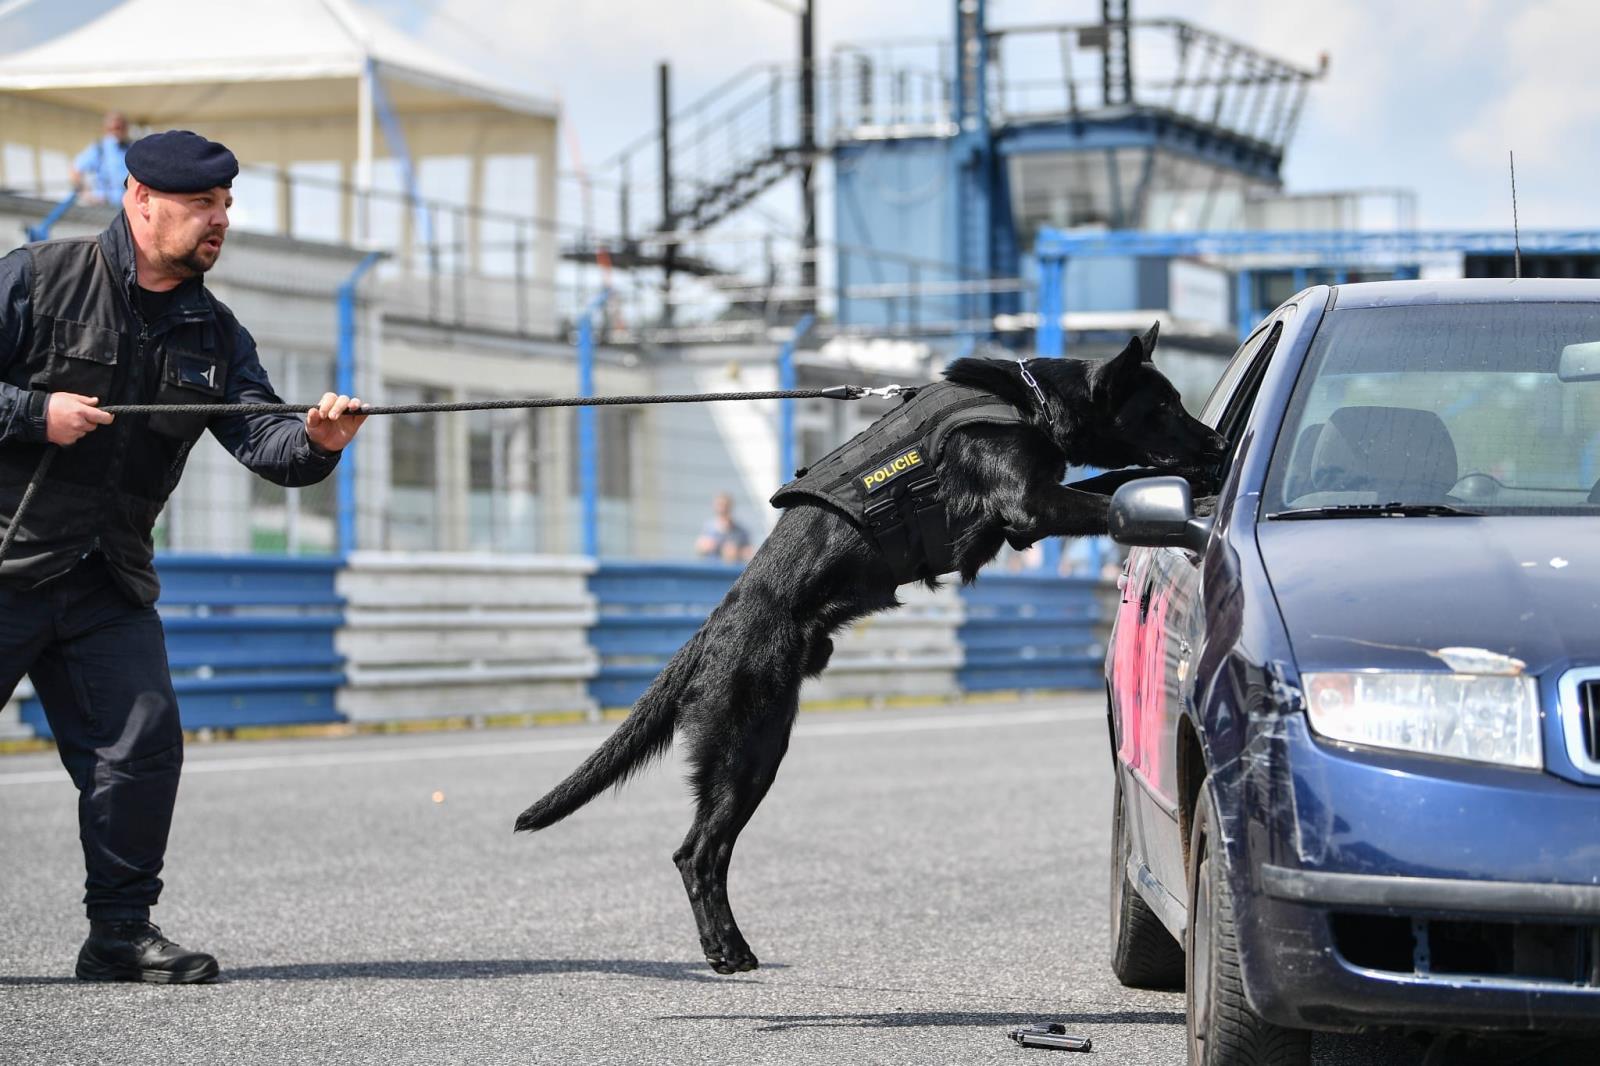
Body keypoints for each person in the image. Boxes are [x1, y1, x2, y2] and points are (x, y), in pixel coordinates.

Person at [0, 130, 367, 984]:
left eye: (227, 206)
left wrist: (317, 438)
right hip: (7, 563)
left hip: (105, 579)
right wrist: (32, 413)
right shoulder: (35, 278)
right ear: (140, 200)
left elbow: (265, 439)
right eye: (203, 205)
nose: (220, 221)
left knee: (142, 745)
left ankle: (120, 934)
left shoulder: (213, 330)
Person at [69, 112, 132, 205]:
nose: (117, 132)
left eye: (121, 128)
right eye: (114, 128)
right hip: (106, 206)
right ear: (107, 129)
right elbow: (75, 170)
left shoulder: (132, 147)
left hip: (128, 206)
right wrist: (86, 194)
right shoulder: (99, 148)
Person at [694, 491, 754, 563]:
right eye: (719, 505)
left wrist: (737, 552)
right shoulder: (709, 527)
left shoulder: (741, 531)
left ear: (730, 507)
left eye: (725, 506)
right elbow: (699, 548)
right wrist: (706, 546)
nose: (722, 509)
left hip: (731, 571)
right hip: (711, 570)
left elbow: (750, 553)